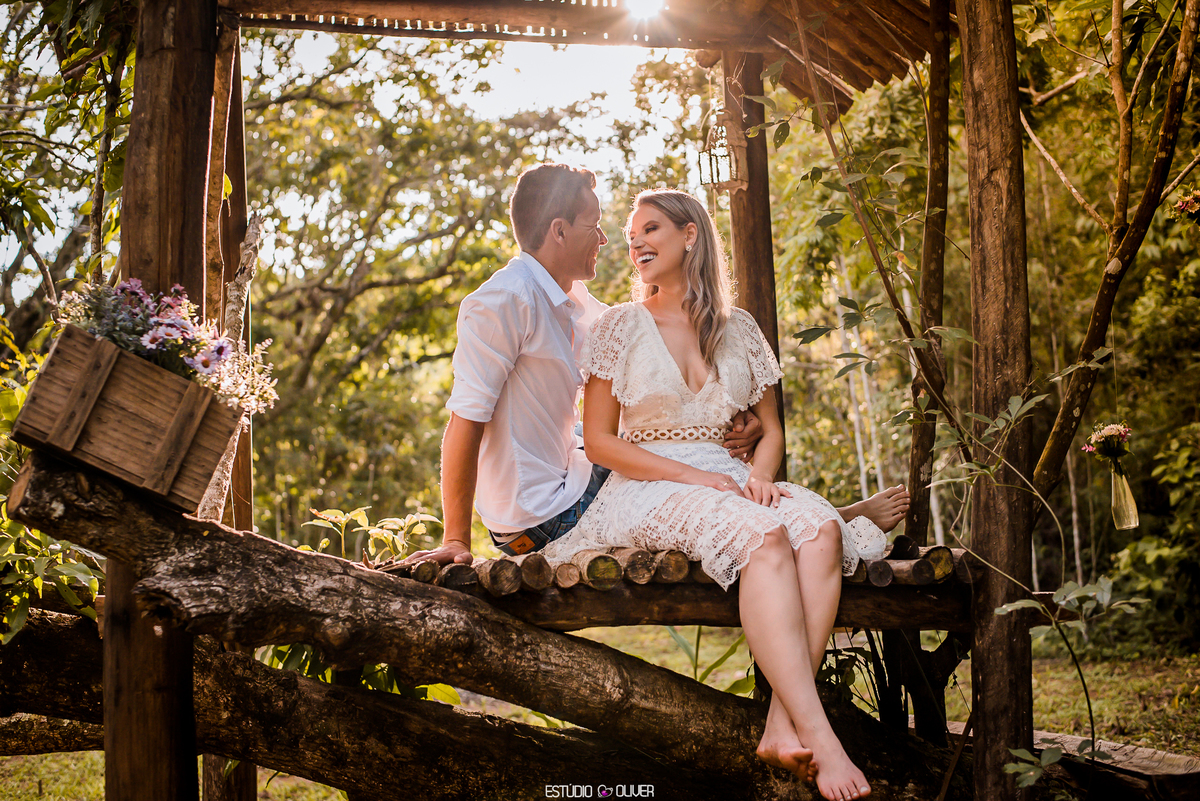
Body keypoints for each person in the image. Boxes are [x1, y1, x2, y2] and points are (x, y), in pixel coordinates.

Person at [538, 189, 909, 801]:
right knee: (763, 538)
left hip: (730, 475)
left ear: (690, 235)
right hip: (648, 484)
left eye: (650, 228)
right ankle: (824, 738)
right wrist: (698, 478)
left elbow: (772, 428)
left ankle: (779, 726)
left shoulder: (740, 329)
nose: (635, 243)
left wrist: (761, 473)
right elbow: (601, 443)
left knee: (820, 532)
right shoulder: (619, 327)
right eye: (631, 234)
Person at [402, 165, 761, 568]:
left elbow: (655, 360)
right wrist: (455, 539)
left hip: (574, 474)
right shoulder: (503, 301)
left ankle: (786, 517)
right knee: (666, 453)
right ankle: (772, 524)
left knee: (668, 442)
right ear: (559, 231)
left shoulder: (580, 304)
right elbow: (466, 420)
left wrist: (734, 416)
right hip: (542, 517)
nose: (606, 240)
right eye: (595, 226)